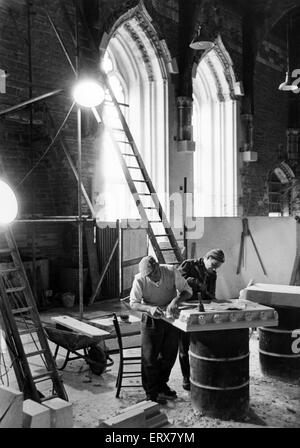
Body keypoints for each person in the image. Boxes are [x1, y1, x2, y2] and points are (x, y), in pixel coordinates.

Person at [130, 255, 192, 404]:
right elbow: (134, 303)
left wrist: (175, 300)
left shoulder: (171, 271)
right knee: (149, 358)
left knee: (169, 356)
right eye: (148, 276)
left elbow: (187, 291)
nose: (151, 277)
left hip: (170, 318)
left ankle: (161, 385)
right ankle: (151, 394)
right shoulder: (140, 279)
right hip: (151, 318)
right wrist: (149, 308)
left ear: (158, 266)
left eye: (153, 273)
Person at [177, 248, 226, 391]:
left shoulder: (212, 274)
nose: (215, 268)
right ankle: (186, 378)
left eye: (218, 266)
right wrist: (192, 281)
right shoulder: (188, 265)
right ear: (207, 257)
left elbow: (211, 294)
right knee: (184, 346)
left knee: (203, 345)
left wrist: (219, 303)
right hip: (185, 309)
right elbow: (175, 283)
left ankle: (202, 376)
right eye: (214, 264)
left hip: (201, 311)